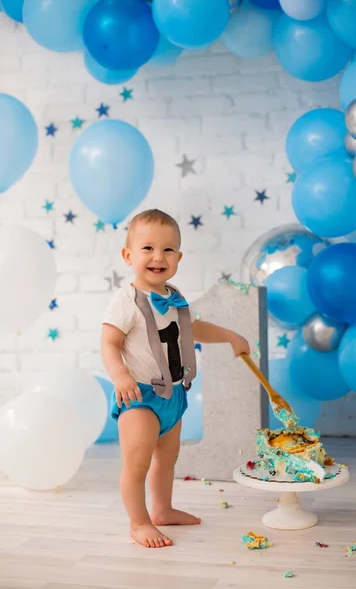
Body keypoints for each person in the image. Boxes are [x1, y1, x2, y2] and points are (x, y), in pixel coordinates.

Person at [101, 209, 250, 548]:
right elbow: (109, 343)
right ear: (128, 255)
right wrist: (120, 375)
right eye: (148, 248)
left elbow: (193, 328)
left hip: (174, 397)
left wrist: (230, 335)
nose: (158, 257)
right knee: (136, 463)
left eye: (168, 250)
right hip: (138, 396)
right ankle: (139, 523)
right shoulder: (125, 301)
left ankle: (163, 510)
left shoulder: (175, 297)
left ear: (178, 257)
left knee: (166, 462)